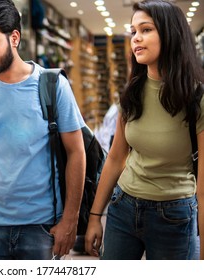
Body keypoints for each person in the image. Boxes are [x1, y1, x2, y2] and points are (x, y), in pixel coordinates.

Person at [0, 0, 86, 260]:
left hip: (42, 226)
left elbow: (76, 153)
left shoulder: (53, 85)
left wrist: (70, 220)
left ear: (14, 38)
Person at [85, 0, 204, 260]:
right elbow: (116, 158)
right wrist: (95, 216)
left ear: (170, 34)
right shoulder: (133, 93)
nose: (136, 38)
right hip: (123, 208)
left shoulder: (197, 98)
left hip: (175, 215)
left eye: (146, 30)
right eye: (133, 31)